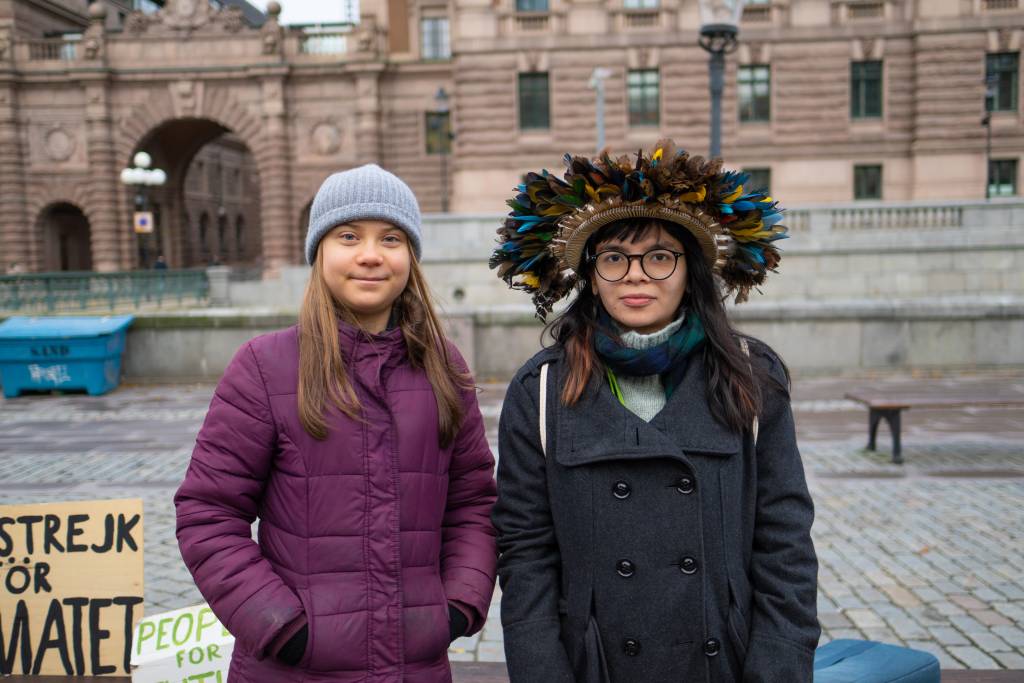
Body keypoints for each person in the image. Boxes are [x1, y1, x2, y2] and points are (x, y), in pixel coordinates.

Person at [489, 140, 820, 682]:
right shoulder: (541, 388)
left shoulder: (753, 378)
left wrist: (776, 670)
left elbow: (784, 542)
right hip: (596, 664)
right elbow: (526, 555)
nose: (636, 275)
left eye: (660, 256)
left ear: (691, 269)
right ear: (590, 274)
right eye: (614, 257)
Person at [175, 164, 498, 682]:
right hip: (292, 668)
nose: (370, 254)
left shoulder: (444, 365)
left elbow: (473, 502)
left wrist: (458, 603)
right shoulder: (264, 367)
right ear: (319, 252)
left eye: (390, 238)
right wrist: (283, 626)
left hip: (415, 665)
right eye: (349, 236)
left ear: (410, 258)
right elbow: (207, 514)